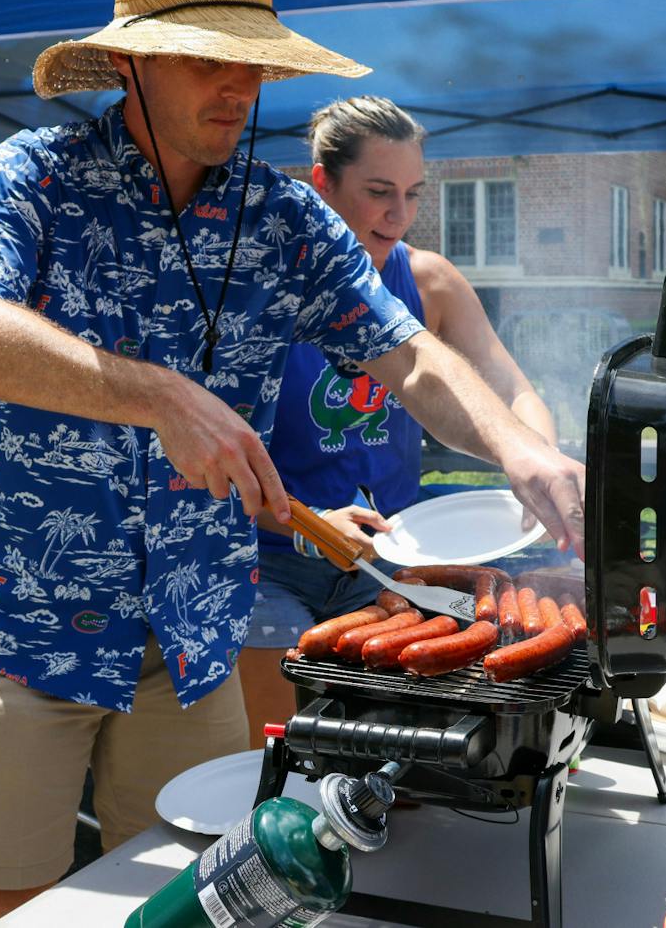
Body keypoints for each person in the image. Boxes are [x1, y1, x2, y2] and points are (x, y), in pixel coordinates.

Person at [0, 0, 585, 928]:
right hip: (30, 634)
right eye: (205, 60)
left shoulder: (282, 218)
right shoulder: (32, 179)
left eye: (254, 62)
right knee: (8, 917)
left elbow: (408, 356)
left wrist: (520, 448)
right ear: (132, 64)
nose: (239, 86)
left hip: (193, 641)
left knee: (212, 909)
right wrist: (155, 391)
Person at [238, 97, 559, 742]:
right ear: (321, 183)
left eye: (413, 193)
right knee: (280, 752)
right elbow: (207, 449)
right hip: (267, 556)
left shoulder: (429, 281)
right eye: (378, 191)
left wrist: (539, 462)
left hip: (399, 556)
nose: (399, 215)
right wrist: (306, 522)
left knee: (408, 754)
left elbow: (510, 392)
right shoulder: (256, 286)